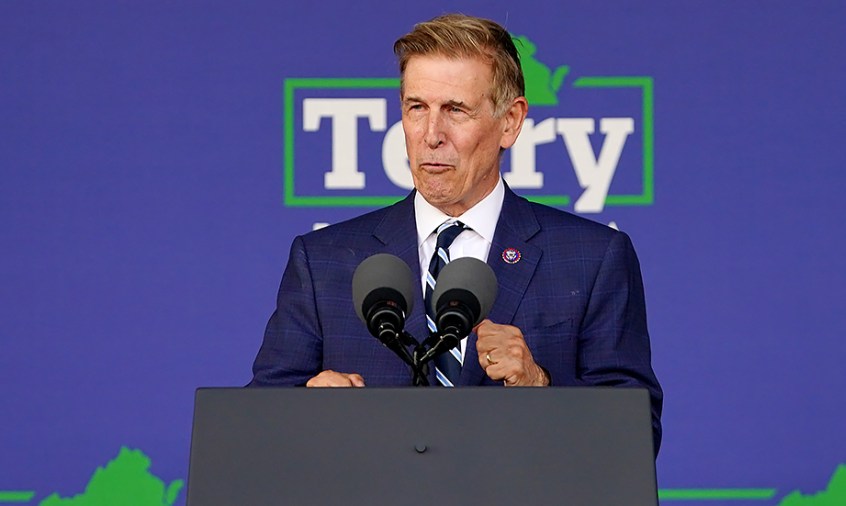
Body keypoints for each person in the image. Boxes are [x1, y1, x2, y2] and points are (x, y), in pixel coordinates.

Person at [249, 13, 662, 453]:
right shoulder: (324, 260)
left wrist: (539, 386)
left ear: (510, 122)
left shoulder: (593, 258)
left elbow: (635, 436)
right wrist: (305, 409)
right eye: (416, 108)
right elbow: (255, 429)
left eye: (455, 110)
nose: (431, 135)